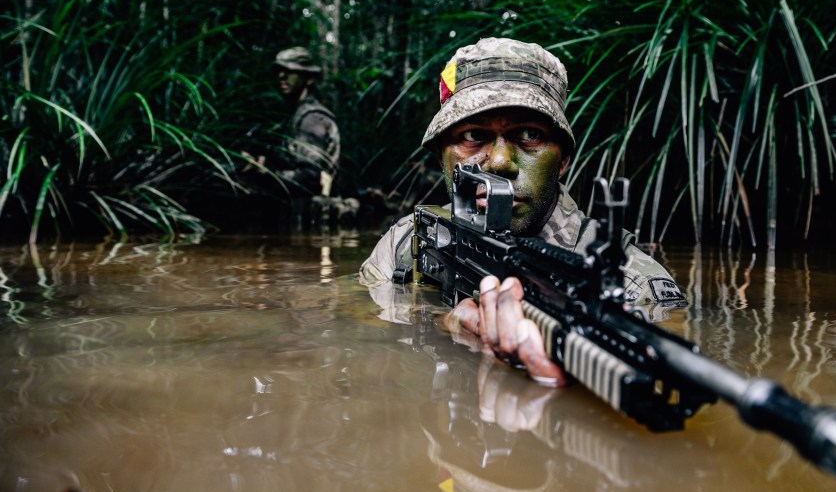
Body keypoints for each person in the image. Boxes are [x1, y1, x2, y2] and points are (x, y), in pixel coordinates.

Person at [360, 37, 685, 387]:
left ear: (562, 161)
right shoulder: (407, 241)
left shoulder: (631, 284)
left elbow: (659, 369)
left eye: (529, 134)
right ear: (442, 157)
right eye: (473, 135)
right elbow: (350, 313)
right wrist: (440, 322)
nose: (500, 163)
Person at [245, 46, 341, 232]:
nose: (282, 76)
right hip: (298, 219)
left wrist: (265, 172)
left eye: (290, 72)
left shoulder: (311, 118)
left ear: (309, 79)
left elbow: (310, 178)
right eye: (280, 71)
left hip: (312, 225)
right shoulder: (296, 114)